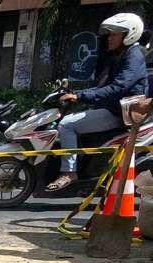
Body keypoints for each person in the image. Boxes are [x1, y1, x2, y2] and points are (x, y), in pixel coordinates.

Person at [47, 13, 148, 192]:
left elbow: (117, 88)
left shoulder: (133, 56)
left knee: (66, 125)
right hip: (112, 107)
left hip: (119, 112)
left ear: (129, 34)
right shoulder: (119, 55)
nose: (109, 38)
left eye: (114, 34)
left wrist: (81, 97)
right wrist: (77, 93)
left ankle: (69, 172)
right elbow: (103, 86)